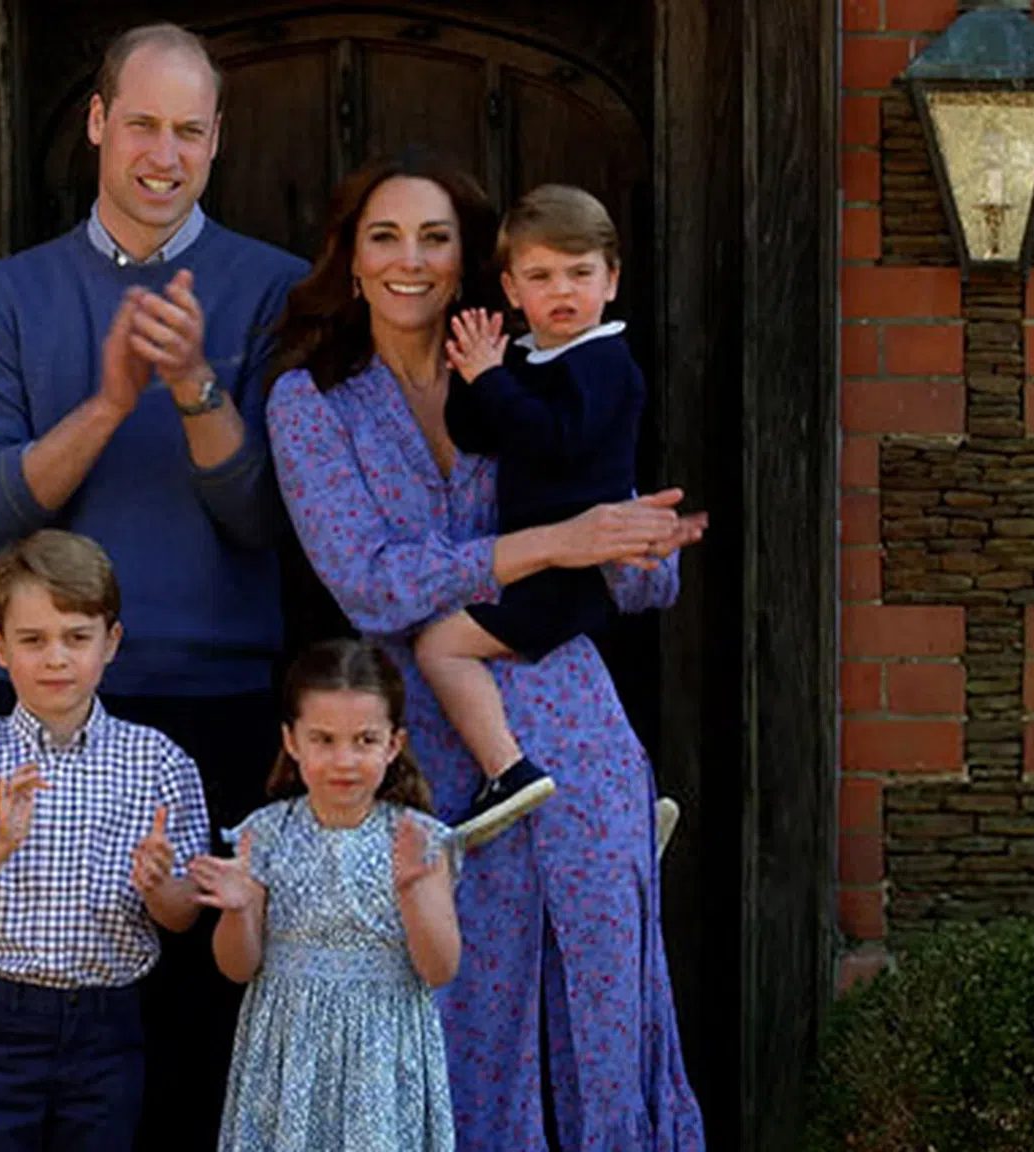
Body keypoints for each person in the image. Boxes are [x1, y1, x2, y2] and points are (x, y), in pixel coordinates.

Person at [266, 151, 707, 1151]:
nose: (410, 260)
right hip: (426, 747)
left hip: (577, 729)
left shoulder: (543, 367)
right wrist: (555, 544)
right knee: (459, 1006)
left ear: (471, 266)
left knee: (603, 1002)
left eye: (434, 239)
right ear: (353, 258)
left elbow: (636, 577)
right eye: (386, 237)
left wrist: (641, 547)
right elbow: (368, 582)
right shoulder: (312, 402)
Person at [0, 22, 307, 1146]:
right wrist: (106, 403)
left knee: (203, 1027)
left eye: (188, 130)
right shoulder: (6, 296)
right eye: (141, 123)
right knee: (54, 1030)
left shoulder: (275, 291)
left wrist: (195, 384)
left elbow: (263, 522)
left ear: (217, 142)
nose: (164, 153)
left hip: (225, 707)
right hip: (50, 713)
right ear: (97, 122)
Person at [0, 529, 211, 1151]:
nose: (56, 659)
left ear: (111, 643)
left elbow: (182, 920)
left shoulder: (158, 763)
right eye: (33, 640)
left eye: (77, 638)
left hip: (108, 1022)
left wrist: (158, 886)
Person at [413, 184, 644, 848]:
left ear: (612, 279)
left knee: (440, 645)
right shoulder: (534, 359)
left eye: (580, 273)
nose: (562, 291)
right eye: (541, 276)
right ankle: (613, 810)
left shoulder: (604, 362)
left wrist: (493, 378)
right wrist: (473, 371)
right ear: (512, 290)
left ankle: (507, 772)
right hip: (536, 564)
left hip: (566, 574)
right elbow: (478, 433)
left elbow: (553, 439)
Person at [190, 639, 460, 1152]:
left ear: (393, 744)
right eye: (324, 739)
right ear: (292, 741)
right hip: (288, 1053)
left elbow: (440, 968)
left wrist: (413, 893)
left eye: (364, 740)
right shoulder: (264, 834)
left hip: (382, 1053)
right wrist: (239, 910)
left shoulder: (420, 840)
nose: (345, 760)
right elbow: (238, 967)